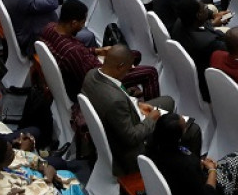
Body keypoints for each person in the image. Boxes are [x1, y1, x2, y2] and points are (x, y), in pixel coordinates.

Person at [81, 45, 193, 176]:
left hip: (118, 121)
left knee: (168, 101)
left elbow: (113, 97)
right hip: (128, 150)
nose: (131, 69)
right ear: (120, 66)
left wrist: (136, 103)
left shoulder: (91, 74)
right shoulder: (116, 101)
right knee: (190, 129)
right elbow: (132, 138)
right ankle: (182, 168)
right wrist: (151, 118)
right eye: (129, 67)